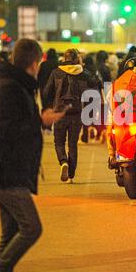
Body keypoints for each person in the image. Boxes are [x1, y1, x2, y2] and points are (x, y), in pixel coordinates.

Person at [0, 38, 64, 272]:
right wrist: (40, 121)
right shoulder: (10, 88)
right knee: (31, 228)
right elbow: (7, 130)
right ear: (35, 62)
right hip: (5, 171)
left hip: (9, 170)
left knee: (10, 232)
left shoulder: (15, 84)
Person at [44, 48, 96, 183]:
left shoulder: (56, 72)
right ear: (77, 58)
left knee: (59, 142)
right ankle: (71, 174)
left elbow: (46, 92)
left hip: (60, 112)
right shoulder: (84, 74)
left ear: (64, 58)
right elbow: (92, 92)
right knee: (73, 144)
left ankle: (63, 162)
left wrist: (51, 105)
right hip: (77, 112)